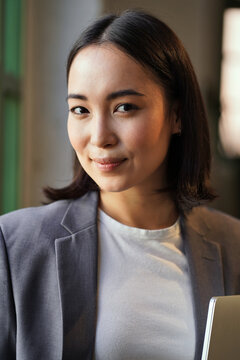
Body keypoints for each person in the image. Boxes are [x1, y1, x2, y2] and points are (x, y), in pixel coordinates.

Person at [0, 9, 240, 360]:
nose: (99, 137)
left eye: (124, 107)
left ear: (177, 115)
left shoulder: (233, 246)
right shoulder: (15, 245)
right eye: (81, 110)